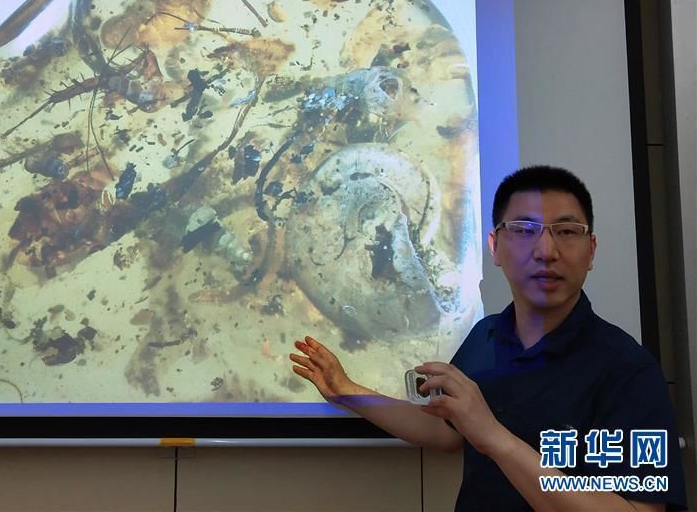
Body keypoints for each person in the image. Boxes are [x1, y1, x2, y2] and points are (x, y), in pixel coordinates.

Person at [290, 165, 687, 512]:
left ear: (591, 250)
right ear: (494, 247)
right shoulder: (487, 335)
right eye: (524, 230)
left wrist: (494, 436)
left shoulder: (628, 370)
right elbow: (445, 431)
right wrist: (346, 391)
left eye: (567, 231)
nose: (546, 251)